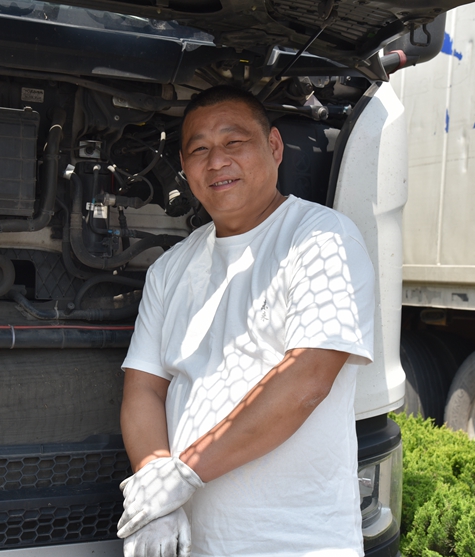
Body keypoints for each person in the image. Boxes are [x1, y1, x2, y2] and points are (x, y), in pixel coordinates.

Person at [117, 85, 375, 557]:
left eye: (234, 143)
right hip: (192, 543)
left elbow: (307, 379)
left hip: (296, 543)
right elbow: (145, 388)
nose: (217, 161)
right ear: (185, 166)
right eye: (200, 149)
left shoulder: (320, 238)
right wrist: (156, 481)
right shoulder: (170, 268)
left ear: (273, 147)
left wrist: (184, 473)